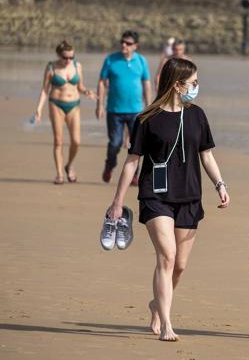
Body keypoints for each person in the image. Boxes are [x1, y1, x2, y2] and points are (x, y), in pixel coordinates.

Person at [105, 58, 230, 341]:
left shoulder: (197, 115)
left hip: (189, 197)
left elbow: (207, 155)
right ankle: (167, 323)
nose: (197, 88)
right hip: (155, 196)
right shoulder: (146, 119)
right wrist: (117, 202)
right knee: (167, 256)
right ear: (177, 85)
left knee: (180, 265)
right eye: (193, 83)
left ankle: (156, 304)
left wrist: (220, 185)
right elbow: (131, 162)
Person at [33, 40, 96, 184]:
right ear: (59, 55)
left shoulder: (77, 66)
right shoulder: (51, 67)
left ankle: (69, 165)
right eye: (65, 57)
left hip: (74, 105)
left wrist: (87, 92)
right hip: (56, 104)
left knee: (76, 141)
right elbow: (45, 90)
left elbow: (80, 86)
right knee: (58, 140)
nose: (68, 60)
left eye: (71, 57)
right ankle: (59, 173)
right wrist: (38, 109)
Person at [96, 30, 152, 184]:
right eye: (122, 42)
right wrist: (99, 105)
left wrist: (149, 106)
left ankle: (135, 174)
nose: (124, 45)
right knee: (115, 143)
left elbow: (146, 83)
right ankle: (110, 164)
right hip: (114, 110)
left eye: (128, 43)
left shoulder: (141, 61)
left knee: (136, 145)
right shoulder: (111, 60)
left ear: (135, 46)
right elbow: (102, 82)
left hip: (136, 111)